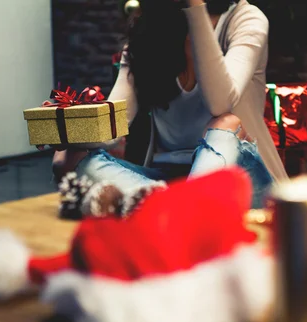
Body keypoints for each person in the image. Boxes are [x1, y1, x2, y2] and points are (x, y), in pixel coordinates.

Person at [52, 0, 288, 210]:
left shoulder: (246, 20)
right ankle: (182, 208)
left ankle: (165, 207)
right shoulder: (149, 35)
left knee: (226, 122)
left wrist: (195, 8)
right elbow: (113, 126)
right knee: (69, 158)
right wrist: (65, 128)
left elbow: (220, 103)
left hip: (240, 179)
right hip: (169, 179)